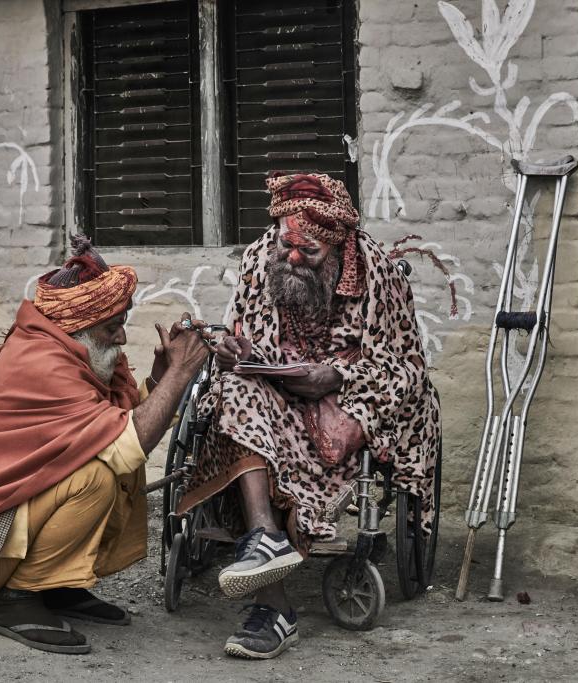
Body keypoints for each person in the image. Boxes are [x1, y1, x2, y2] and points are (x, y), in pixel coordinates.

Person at [0, 236, 212, 654]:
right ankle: (17, 598)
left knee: (106, 455)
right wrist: (180, 376)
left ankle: (55, 586)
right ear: (81, 329)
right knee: (97, 473)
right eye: (113, 328)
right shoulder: (43, 364)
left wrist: (160, 379)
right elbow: (129, 441)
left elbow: (121, 423)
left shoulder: (67, 351)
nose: (123, 339)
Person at [176, 172, 441, 660]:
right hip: (269, 404)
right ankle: (265, 540)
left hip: (343, 414)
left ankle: (270, 598)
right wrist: (233, 349)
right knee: (233, 389)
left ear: (339, 248)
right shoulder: (260, 260)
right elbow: (239, 332)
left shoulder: (376, 275)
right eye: (286, 247)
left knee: (275, 432)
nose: (293, 257)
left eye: (309, 252)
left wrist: (336, 377)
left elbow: (407, 368)